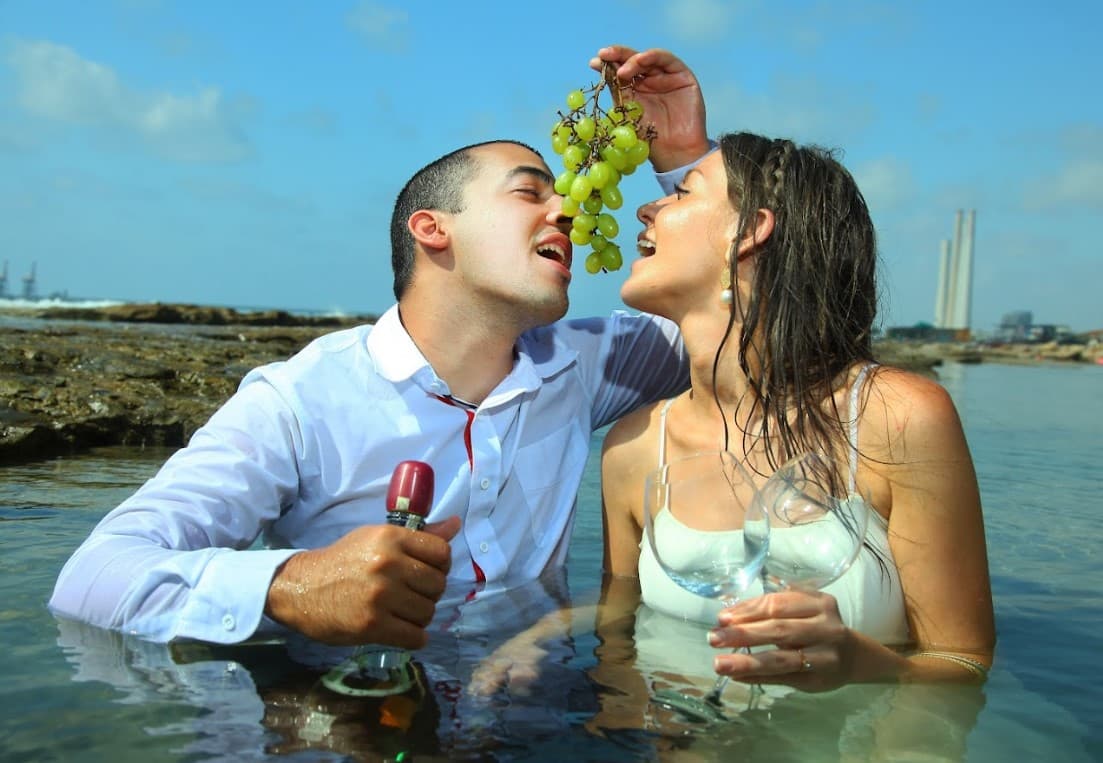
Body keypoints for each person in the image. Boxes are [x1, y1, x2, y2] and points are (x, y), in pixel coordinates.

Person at [48, 68, 713, 648]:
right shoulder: (299, 402)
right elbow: (92, 577)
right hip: (345, 715)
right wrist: (291, 586)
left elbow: (753, 326)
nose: (567, 208)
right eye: (528, 191)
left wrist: (683, 157)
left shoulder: (587, 365)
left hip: (539, 712)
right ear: (431, 228)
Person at [474, 45, 995, 697]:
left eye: (681, 192)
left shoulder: (895, 418)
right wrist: (536, 636)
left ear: (751, 231)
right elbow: (619, 626)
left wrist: (860, 663)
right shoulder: (634, 447)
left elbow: (963, 661)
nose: (646, 208)